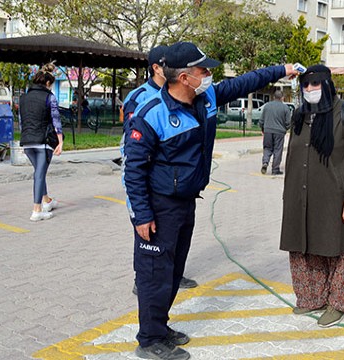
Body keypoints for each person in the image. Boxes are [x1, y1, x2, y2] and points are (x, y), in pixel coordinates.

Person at [123, 41, 299, 360]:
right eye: (203, 70)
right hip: (158, 205)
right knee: (154, 274)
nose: (209, 75)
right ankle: (148, 340)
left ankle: (160, 327)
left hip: (185, 201)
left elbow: (246, 82)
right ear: (184, 77)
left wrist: (281, 70)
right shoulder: (152, 113)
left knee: (174, 271)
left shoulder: (206, 98)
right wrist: (141, 216)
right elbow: (132, 169)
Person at [279, 65, 344, 328]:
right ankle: (312, 297)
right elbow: (293, 156)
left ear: (327, 85)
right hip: (302, 197)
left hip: (336, 198)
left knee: (340, 249)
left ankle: (338, 303)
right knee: (305, 247)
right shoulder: (300, 115)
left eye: (315, 84)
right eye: (305, 85)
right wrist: (289, 196)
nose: (310, 90)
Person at [121, 45, 199, 296]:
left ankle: (167, 273)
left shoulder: (179, 94)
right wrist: (140, 209)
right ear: (156, 68)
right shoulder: (140, 97)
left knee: (168, 243)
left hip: (170, 184)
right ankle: (141, 277)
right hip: (146, 174)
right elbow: (134, 151)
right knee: (146, 232)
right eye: (166, 64)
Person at [18, 62, 64, 221]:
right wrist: (60, 142)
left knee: (39, 172)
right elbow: (56, 120)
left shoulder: (23, 97)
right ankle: (37, 210)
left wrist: (25, 138)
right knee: (39, 174)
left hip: (27, 141)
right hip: (43, 142)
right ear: (47, 83)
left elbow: (22, 121)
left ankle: (47, 201)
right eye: (51, 85)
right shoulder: (49, 97)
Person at [260, 90, 291, 175]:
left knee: (267, 148)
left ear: (274, 97)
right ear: (282, 98)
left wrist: (263, 128)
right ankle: (275, 169)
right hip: (279, 132)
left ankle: (265, 162)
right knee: (278, 150)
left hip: (268, 130)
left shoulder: (267, 106)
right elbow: (288, 122)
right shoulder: (285, 108)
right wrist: (285, 129)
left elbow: (261, 120)